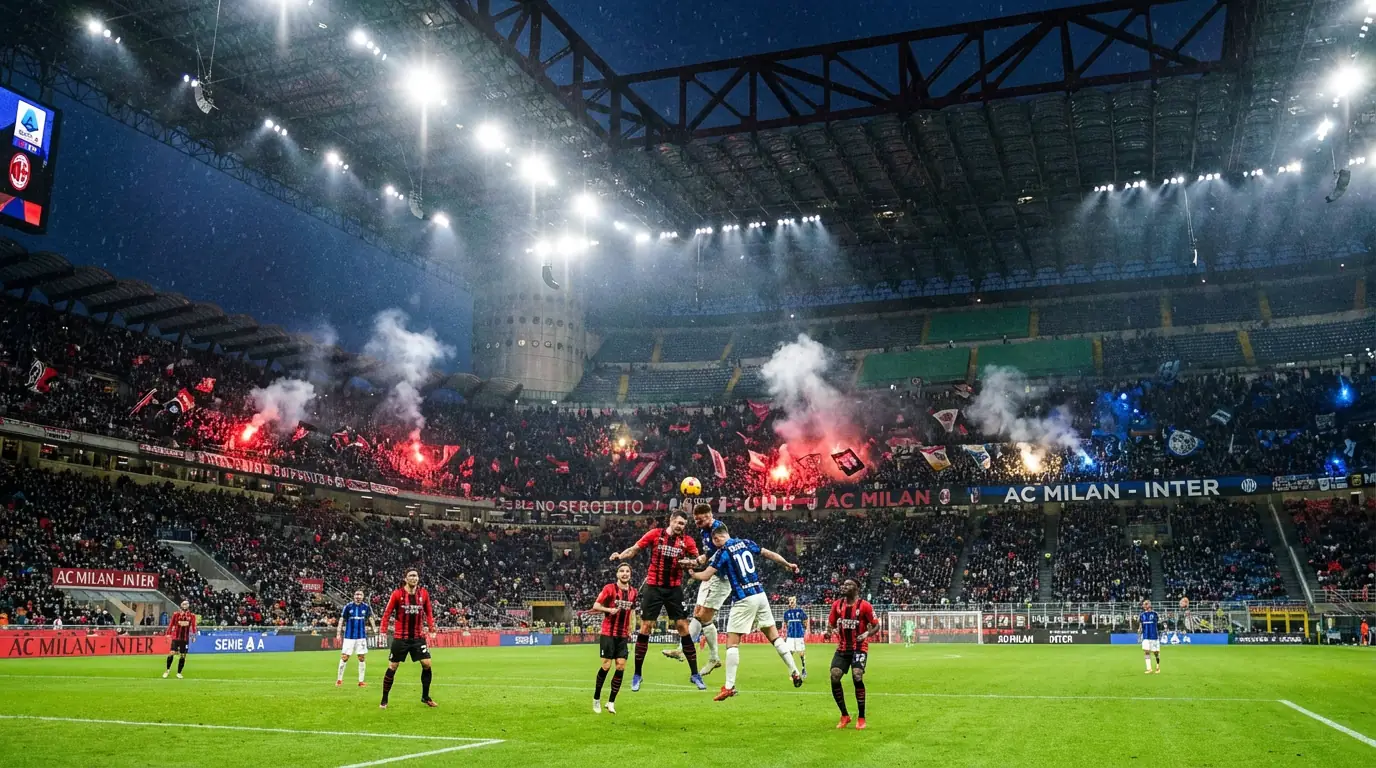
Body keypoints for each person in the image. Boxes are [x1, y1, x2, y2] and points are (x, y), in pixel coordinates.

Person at [690, 524, 802, 700]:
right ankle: (794, 671)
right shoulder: (746, 542)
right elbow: (769, 554)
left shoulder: (723, 552)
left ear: (717, 538)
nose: (715, 545)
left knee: (732, 642)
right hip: (760, 594)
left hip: (743, 598)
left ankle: (729, 686)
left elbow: (705, 575)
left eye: (714, 541)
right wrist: (787, 564)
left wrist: (690, 572)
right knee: (774, 636)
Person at [609, 510, 706, 691]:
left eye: (683, 524)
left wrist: (693, 562)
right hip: (653, 587)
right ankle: (637, 675)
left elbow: (696, 560)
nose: (680, 526)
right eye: (677, 522)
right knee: (646, 627)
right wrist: (620, 556)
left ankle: (695, 674)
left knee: (683, 627)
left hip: (674, 588)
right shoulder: (655, 534)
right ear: (670, 521)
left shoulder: (688, 541)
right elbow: (635, 549)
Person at [663, 504, 728, 674]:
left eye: (701, 519)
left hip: (722, 576)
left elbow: (715, 553)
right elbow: (708, 554)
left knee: (703, 616)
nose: (697, 523)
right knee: (698, 613)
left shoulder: (718, 529)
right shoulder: (703, 530)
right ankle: (681, 649)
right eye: (696, 520)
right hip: (710, 574)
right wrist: (694, 562)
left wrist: (695, 562)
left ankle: (713, 657)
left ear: (710, 516)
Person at [379, 569, 438, 709]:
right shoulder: (397, 594)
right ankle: (384, 699)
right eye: (411, 576)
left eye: (416, 575)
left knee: (427, 664)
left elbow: (429, 612)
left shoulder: (423, 593)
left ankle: (425, 696)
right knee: (393, 666)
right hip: (401, 638)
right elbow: (387, 613)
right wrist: (382, 631)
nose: (414, 578)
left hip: (418, 637)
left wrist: (432, 628)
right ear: (405, 578)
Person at [826, 579, 876, 730]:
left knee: (857, 675)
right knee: (834, 675)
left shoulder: (864, 606)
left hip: (859, 647)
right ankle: (844, 715)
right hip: (842, 648)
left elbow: (876, 625)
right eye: (843, 584)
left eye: (848, 585)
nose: (844, 586)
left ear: (856, 588)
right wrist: (830, 631)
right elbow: (831, 623)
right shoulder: (837, 605)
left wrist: (866, 633)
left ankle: (861, 717)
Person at [590, 563, 638, 714]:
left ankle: (611, 702)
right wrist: (609, 609)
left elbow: (632, 612)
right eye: (621, 571)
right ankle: (596, 698)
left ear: (630, 574)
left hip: (622, 634)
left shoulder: (633, 592)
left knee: (620, 666)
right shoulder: (609, 589)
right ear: (617, 574)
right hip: (608, 633)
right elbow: (596, 605)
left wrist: (632, 627)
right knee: (606, 666)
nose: (624, 573)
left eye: (627, 571)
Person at [336, 590, 377, 687]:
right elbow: (342, 619)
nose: (358, 596)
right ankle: (339, 680)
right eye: (356, 594)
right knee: (345, 657)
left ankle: (361, 681)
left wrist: (375, 629)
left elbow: (370, 618)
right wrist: (338, 632)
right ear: (354, 596)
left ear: (363, 596)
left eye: (360, 595)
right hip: (349, 637)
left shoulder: (366, 607)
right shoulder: (348, 607)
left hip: (361, 637)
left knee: (361, 657)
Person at [162, 600, 196, 679]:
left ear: (188, 605)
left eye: (186, 604)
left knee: (183, 655)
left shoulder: (191, 616)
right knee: (172, 653)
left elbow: (193, 626)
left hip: (185, 638)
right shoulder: (176, 614)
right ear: (181, 605)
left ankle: (179, 673)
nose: (185, 605)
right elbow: (171, 624)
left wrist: (193, 636)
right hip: (176, 637)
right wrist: (168, 634)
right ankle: (167, 670)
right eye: (183, 604)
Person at [783, 597, 809, 680]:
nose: (791, 603)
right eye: (790, 601)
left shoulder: (800, 611)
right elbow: (786, 624)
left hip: (798, 636)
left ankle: (803, 668)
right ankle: (792, 672)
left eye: (792, 601)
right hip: (790, 636)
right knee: (789, 653)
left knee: (801, 653)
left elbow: (805, 619)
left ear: (795, 602)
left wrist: (804, 629)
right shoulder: (786, 613)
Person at [1140, 600, 1161, 674]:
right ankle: (1149, 668)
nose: (1144, 605)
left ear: (1150, 605)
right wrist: (1140, 632)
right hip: (1145, 636)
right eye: (1143, 604)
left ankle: (1158, 666)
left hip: (1153, 636)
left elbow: (1157, 623)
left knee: (1155, 652)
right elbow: (1141, 625)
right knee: (1146, 651)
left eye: (1146, 604)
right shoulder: (1142, 615)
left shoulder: (1155, 614)